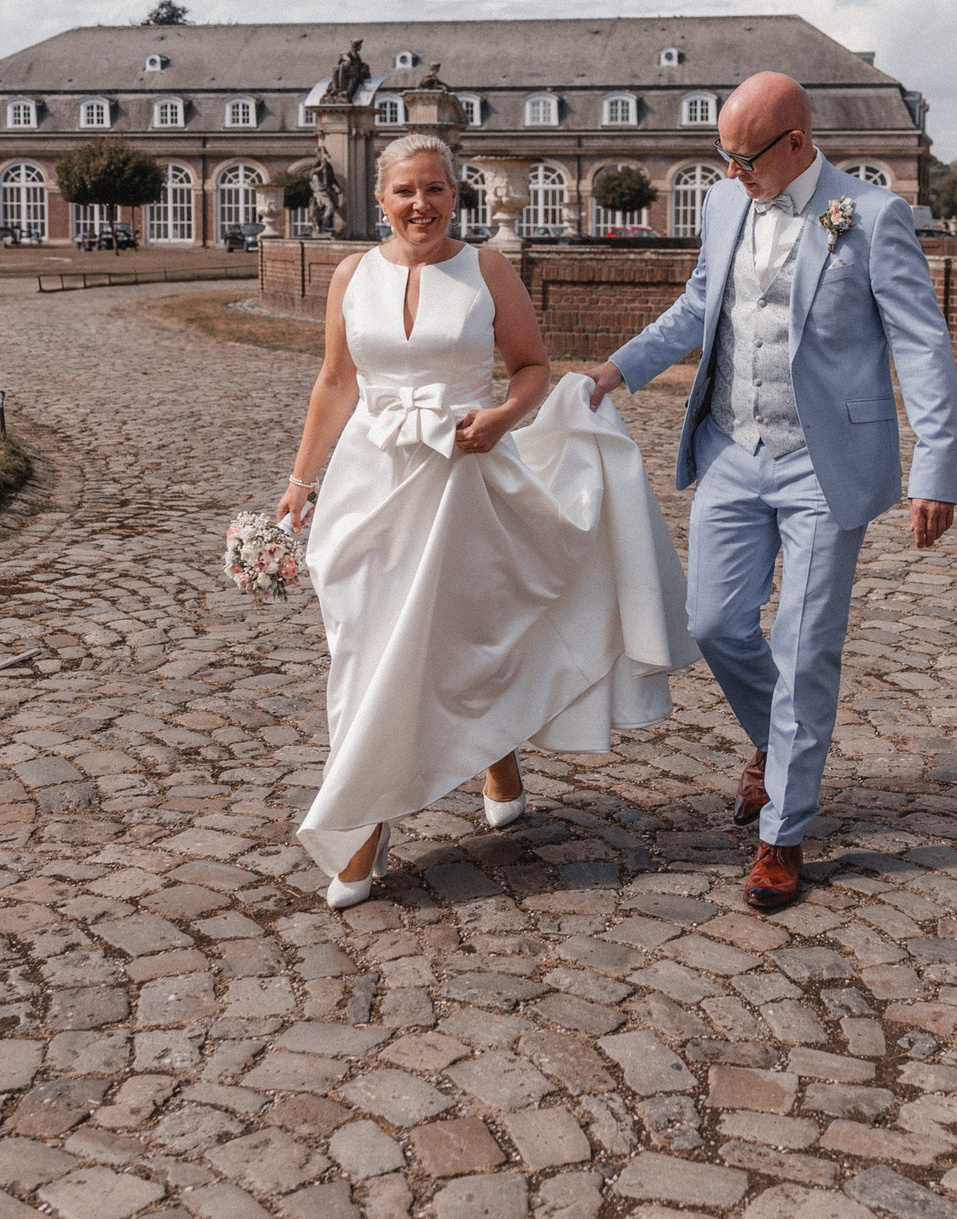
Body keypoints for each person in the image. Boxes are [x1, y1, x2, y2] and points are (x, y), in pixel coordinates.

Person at [277, 134, 691, 907]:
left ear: (455, 193)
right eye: (405, 191)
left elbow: (532, 367)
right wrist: (302, 479)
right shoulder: (348, 276)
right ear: (382, 196)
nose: (420, 205)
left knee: (454, 633)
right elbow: (335, 382)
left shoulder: (486, 269)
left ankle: (367, 823)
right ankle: (421, 786)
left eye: (434, 189)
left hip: (459, 480)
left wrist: (502, 417)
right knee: (363, 645)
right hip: (367, 486)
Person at [587, 72, 957, 911]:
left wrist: (935, 465)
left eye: (742, 156)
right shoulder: (725, 205)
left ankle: (782, 836)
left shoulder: (869, 216)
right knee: (713, 620)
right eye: (720, 154)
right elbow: (697, 307)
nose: (728, 172)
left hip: (824, 462)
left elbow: (922, 344)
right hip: (730, 446)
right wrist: (616, 371)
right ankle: (774, 738)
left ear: (795, 142)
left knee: (803, 647)